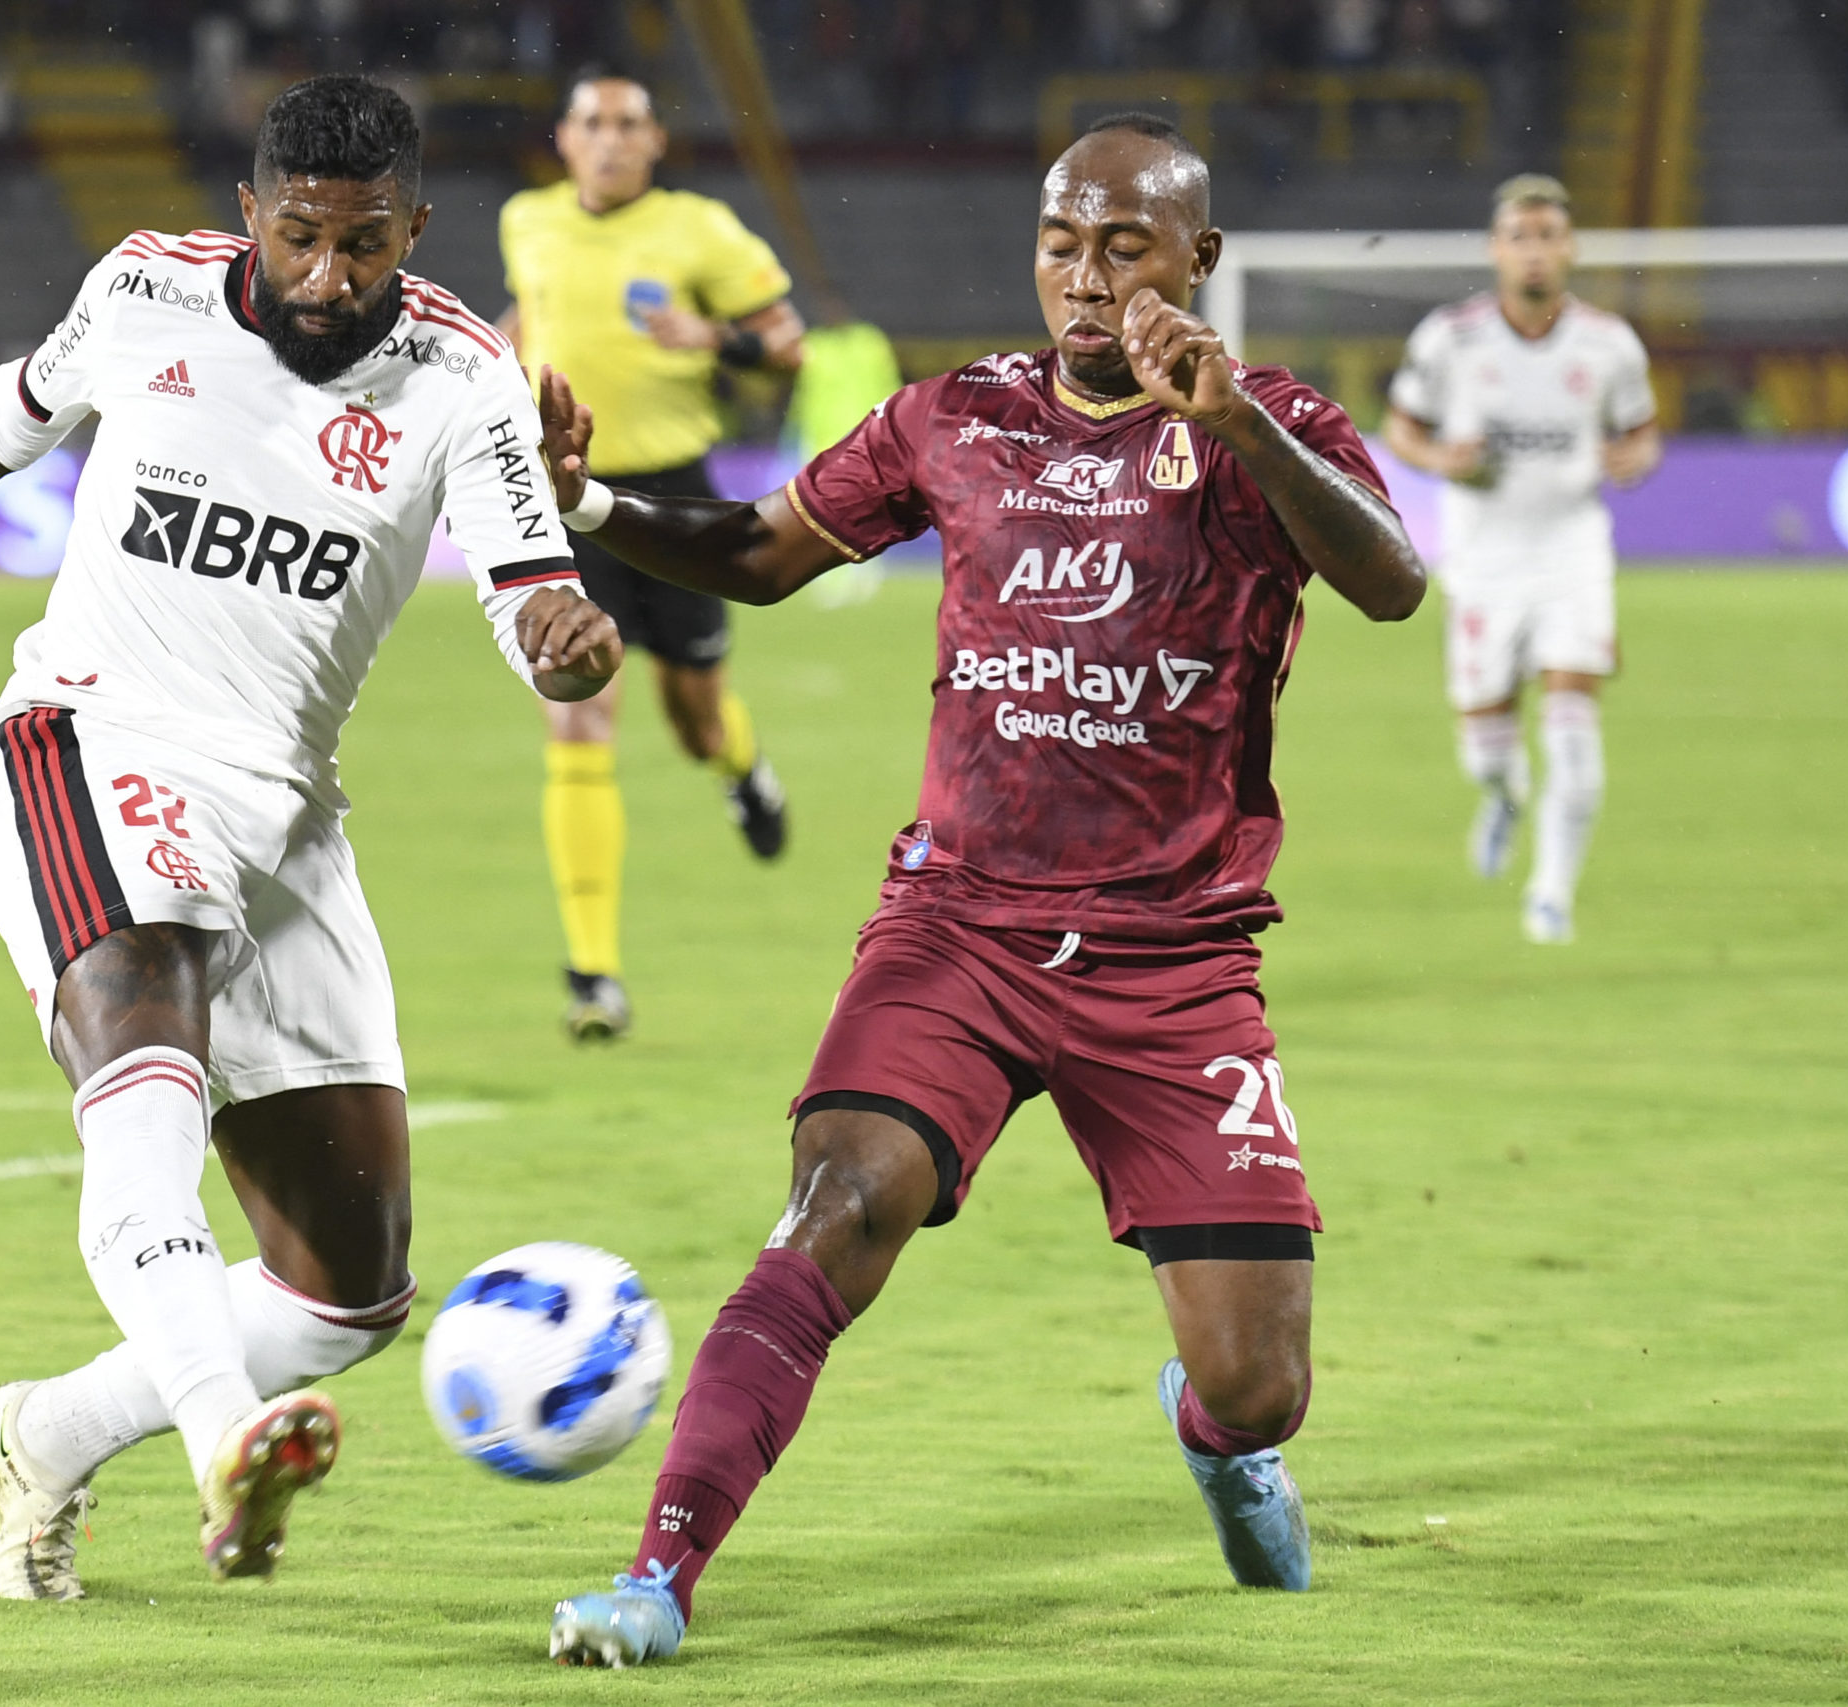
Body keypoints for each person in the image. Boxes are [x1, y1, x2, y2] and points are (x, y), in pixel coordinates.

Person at [0, 75, 619, 1601]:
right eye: (307, 237)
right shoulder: (142, 286)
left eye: (368, 245)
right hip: (93, 737)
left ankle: (46, 1433)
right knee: (148, 1047)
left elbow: (531, 590)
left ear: (418, 229)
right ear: (253, 211)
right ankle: (225, 1444)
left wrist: (567, 647)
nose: (332, 277)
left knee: (351, 1282)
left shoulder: (467, 377)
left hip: (286, 810)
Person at [531, 112, 1430, 1667]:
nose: (1086, 279)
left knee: (1262, 1382)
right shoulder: (954, 416)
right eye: (1061, 243)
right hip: (960, 927)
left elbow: (1392, 581)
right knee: (836, 1203)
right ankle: (656, 1576)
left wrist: (1239, 427)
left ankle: (1219, 1440)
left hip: (1177, 957)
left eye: (1125, 247)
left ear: (1196, 261)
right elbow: (761, 549)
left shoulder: (1266, 417)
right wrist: (594, 509)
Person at [497, 71, 807, 1041]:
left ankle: (741, 768)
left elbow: (788, 344)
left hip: (676, 499)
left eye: (630, 124)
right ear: (565, 138)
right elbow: (525, 321)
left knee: (692, 718)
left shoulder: (700, 230)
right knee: (580, 717)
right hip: (567, 501)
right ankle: (593, 975)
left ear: (656, 141)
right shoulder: (526, 221)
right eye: (593, 123)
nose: (611, 140)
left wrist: (710, 336)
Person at [1383, 173, 1662, 944]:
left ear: (1569, 247)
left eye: (1548, 236)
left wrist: (1630, 458)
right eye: (1520, 237)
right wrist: (1443, 458)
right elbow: (1401, 428)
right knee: (1486, 743)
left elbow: (1641, 433)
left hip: (1572, 550)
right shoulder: (1452, 337)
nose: (1534, 252)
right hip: (1481, 558)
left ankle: (1551, 893)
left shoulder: (1609, 344)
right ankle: (1503, 797)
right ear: (1495, 250)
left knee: (1573, 726)